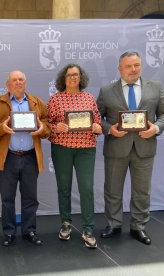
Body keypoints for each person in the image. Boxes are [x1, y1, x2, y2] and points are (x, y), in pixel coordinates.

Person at [97, 51, 164, 245]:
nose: (133, 69)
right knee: (113, 189)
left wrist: (155, 128)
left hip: (144, 147)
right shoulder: (106, 90)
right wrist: (110, 129)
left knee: (142, 191)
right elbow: (97, 117)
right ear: (119, 69)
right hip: (116, 147)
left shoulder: (155, 87)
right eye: (129, 66)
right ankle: (114, 224)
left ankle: (138, 226)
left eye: (137, 65)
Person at [0, 70, 50, 246]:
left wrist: (42, 128)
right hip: (8, 158)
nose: (18, 82)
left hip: (30, 157)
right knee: (7, 199)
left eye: (21, 79)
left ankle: (29, 230)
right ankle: (8, 232)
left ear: (25, 82)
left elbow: (48, 128)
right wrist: (1, 128)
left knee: (30, 198)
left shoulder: (37, 103)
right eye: (14, 80)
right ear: (8, 84)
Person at [47, 64, 102, 249]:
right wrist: (56, 128)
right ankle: (66, 223)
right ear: (63, 78)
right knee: (64, 187)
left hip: (86, 148)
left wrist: (97, 128)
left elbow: (97, 121)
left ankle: (88, 228)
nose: (72, 78)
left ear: (81, 77)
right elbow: (47, 125)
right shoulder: (55, 99)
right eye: (69, 75)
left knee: (86, 188)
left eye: (76, 74)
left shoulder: (89, 97)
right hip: (62, 148)